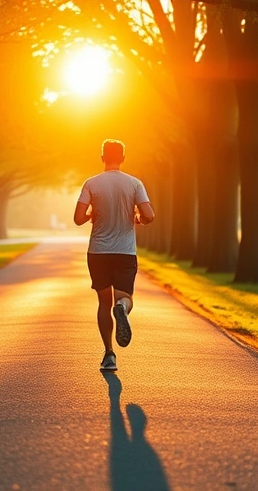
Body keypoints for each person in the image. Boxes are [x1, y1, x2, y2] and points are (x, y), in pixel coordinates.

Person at [73, 139, 155, 372]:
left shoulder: (91, 183)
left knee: (102, 302)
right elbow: (150, 214)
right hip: (125, 251)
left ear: (102, 158)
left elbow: (78, 218)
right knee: (124, 297)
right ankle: (122, 307)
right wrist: (138, 217)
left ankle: (109, 354)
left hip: (98, 251)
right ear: (123, 158)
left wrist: (92, 212)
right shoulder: (135, 183)